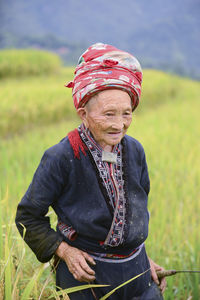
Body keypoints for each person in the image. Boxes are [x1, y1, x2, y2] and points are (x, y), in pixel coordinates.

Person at [15, 43, 166, 299]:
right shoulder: (61, 157)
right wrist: (64, 251)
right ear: (83, 113)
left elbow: (136, 214)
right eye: (109, 114)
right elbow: (28, 217)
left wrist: (143, 259)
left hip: (138, 272)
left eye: (127, 114)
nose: (119, 125)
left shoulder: (135, 151)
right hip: (87, 276)